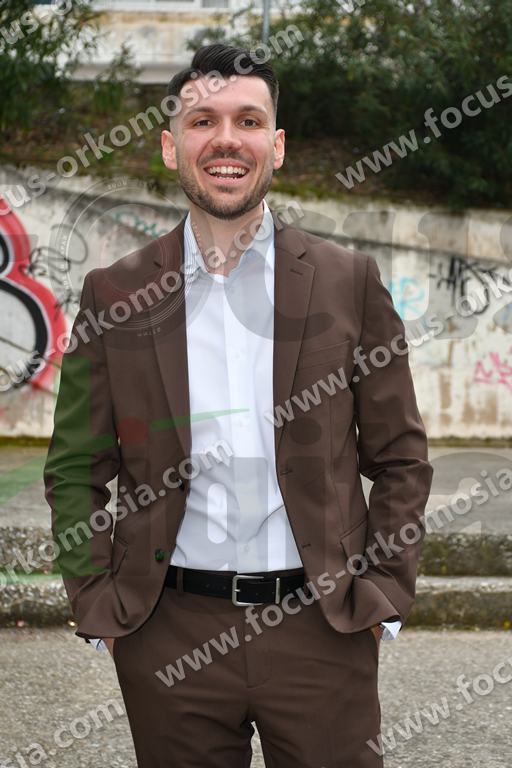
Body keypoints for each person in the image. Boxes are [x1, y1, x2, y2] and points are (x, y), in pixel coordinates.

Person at [44, 43, 433, 768]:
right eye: (203, 121)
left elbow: (401, 457)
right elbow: (75, 467)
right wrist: (98, 604)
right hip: (169, 634)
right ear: (171, 146)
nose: (227, 139)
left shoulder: (349, 280)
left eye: (248, 121)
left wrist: (382, 593)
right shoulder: (115, 293)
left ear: (276, 146)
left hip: (322, 630)